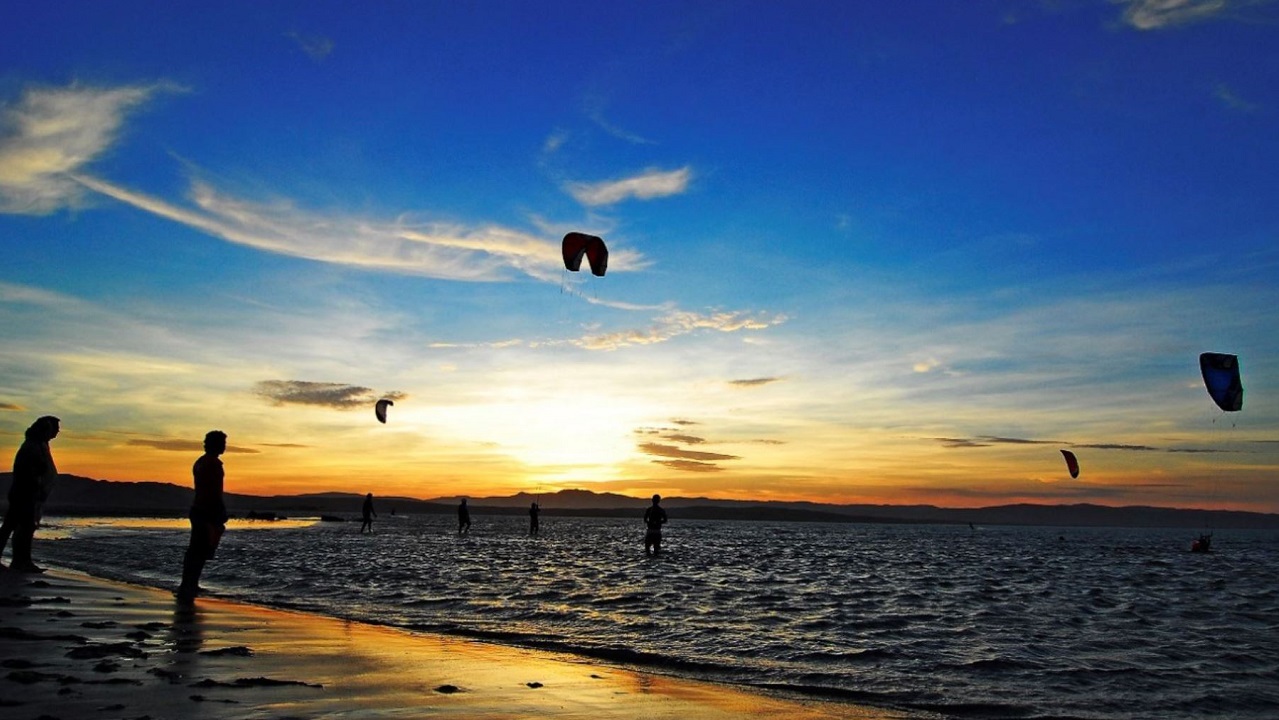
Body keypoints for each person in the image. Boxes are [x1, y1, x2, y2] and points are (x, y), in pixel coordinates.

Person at [1, 416, 60, 572]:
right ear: (46, 429)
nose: (57, 432)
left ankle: (20, 561)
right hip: (26, 493)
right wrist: (37, 485)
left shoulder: (38, 444)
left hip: (27, 492)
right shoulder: (33, 446)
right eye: (55, 429)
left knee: (14, 526)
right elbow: (30, 470)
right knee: (24, 528)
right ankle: (22, 562)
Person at [176, 431, 228, 604]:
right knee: (199, 550)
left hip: (199, 508)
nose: (224, 446)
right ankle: (189, 585)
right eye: (222, 443)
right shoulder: (211, 463)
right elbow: (213, 490)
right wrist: (219, 509)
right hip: (206, 510)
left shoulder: (201, 462)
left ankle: (189, 584)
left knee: (196, 549)